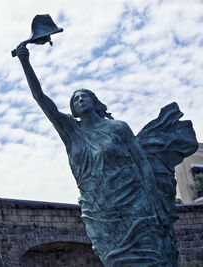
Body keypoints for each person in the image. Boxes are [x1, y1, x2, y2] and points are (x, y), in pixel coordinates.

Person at [16, 44, 198, 266]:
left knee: (151, 258)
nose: (80, 100)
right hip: (98, 209)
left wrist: (156, 204)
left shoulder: (118, 128)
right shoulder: (71, 132)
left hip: (135, 205)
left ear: (94, 101)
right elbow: (40, 98)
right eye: (75, 99)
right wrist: (25, 62)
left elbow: (142, 166)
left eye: (84, 96)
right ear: (72, 109)